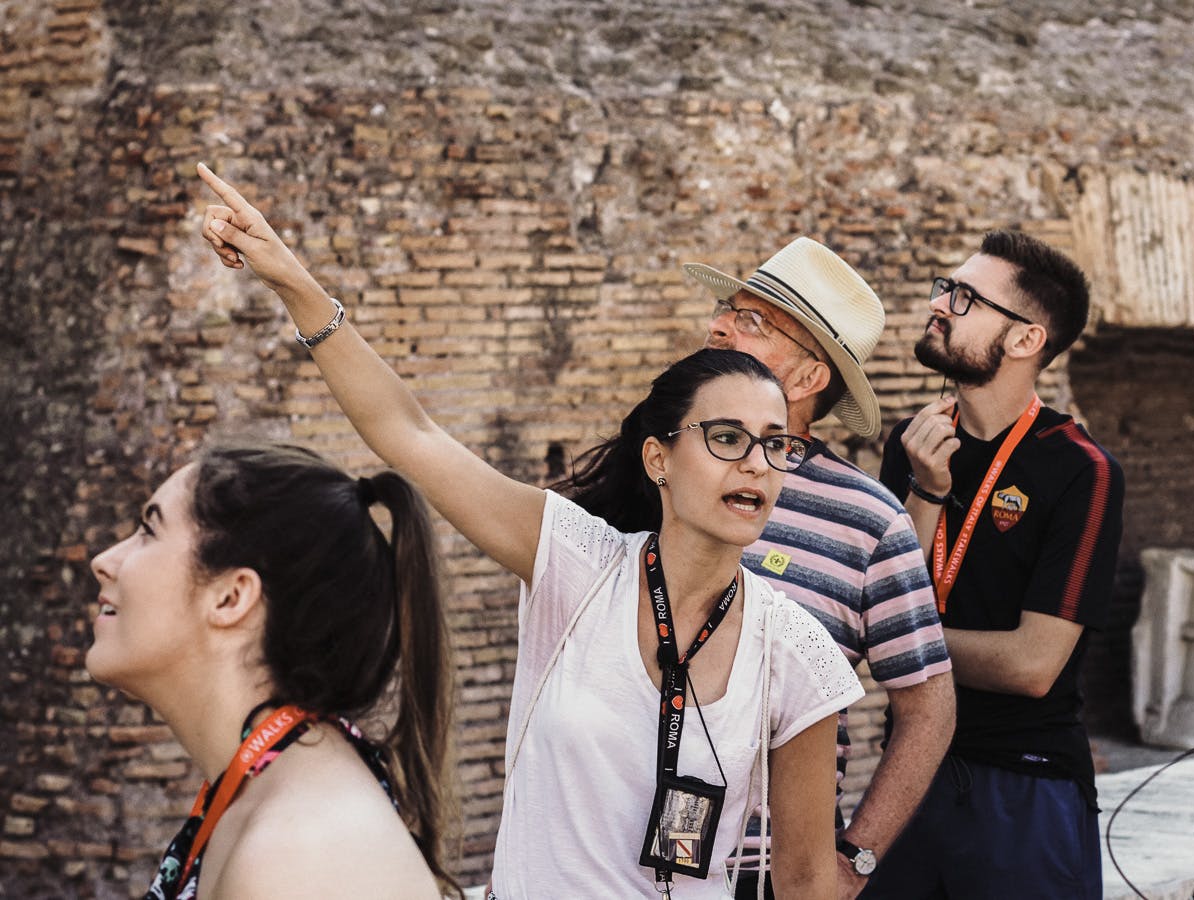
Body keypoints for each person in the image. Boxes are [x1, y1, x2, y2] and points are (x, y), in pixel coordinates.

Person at [196, 163, 862, 899]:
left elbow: (805, 883)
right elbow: (409, 433)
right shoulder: (577, 566)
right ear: (658, 458)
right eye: (729, 438)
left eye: (776, 444)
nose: (758, 465)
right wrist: (294, 281)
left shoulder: (796, 652)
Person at [689, 238, 955, 899]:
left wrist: (853, 861)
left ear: (809, 380)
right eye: (728, 309)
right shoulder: (657, 470)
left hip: (767, 878)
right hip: (620, 863)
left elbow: (928, 709)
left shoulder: (869, 520)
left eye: (752, 322)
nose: (719, 325)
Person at [869, 230, 1124, 899]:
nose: (941, 306)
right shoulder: (914, 442)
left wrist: (900, 644)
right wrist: (925, 488)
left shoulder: (1080, 469)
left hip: (1024, 782)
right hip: (909, 768)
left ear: (1025, 340)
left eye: (966, 298)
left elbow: (1033, 666)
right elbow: (892, 597)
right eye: (945, 288)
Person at [89, 442, 458, 899]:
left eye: (148, 530)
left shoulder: (299, 855)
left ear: (230, 597)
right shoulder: (276, 796)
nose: (102, 562)